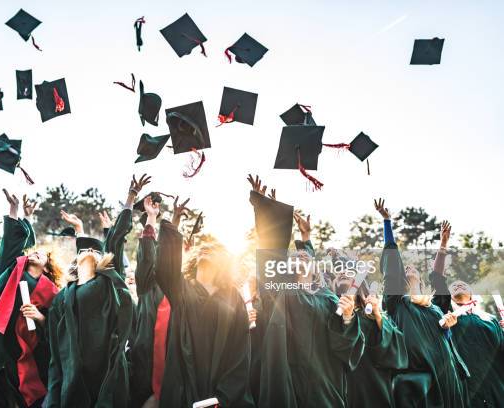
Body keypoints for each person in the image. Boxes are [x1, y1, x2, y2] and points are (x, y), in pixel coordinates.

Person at [248, 175, 365, 408]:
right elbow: (271, 253)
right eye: (295, 255)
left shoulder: (329, 298)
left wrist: (350, 317)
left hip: (323, 383)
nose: (300, 254)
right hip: (286, 379)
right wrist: (266, 210)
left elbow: (347, 346)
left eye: (305, 254)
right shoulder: (281, 291)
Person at [46, 174, 148, 407]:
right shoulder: (62, 298)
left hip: (108, 375)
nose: (88, 252)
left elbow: (116, 240)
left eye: (93, 251)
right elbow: (55, 352)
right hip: (75, 377)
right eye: (83, 251)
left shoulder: (108, 282)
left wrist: (130, 199)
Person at [155, 194, 255, 407]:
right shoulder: (181, 287)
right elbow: (165, 266)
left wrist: (224, 396)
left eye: (213, 249)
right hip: (184, 385)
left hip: (220, 390)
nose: (206, 249)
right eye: (203, 248)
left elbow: (240, 350)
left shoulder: (232, 297)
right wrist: (174, 221)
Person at [375, 198, 469, 407]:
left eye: (412, 267)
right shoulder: (396, 303)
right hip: (417, 383)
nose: (408, 268)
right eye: (404, 268)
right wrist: (387, 222)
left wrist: (443, 244)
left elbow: (438, 277)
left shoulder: (435, 307)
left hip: (446, 376)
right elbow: (391, 266)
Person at [0, 190, 62, 408]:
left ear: (48, 266)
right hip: (2, 341)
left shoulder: (53, 292)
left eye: (42, 254)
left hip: (32, 352)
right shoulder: (15, 271)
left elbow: (60, 327)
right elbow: (11, 244)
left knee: (27, 396)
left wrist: (39, 317)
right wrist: (14, 210)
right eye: (34, 252)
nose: (35, 253)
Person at [430, 220, 504, 407]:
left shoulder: (490, 319)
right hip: (464, 392)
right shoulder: (445, 313)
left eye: (464, 283)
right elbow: (438, 279)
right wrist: (443, 245)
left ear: (472, 294)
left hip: (496, 390)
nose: (458, 284)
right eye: (454, 285)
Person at [129, 193, 188, 408]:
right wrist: (151, 218)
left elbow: (168, 254)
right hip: (145, 373)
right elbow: (147, 257)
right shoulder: (146, 288)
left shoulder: (180, 291)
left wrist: (176, 221)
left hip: (174, 375)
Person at [331, 259, 408, 408]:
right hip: (346, 384)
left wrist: (378, 315)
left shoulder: (372, 314)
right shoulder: (332, 315)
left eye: (349, 273)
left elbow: (396, 348)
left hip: (375, 383)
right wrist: (347, 318)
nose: (342, 273)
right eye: (339, 273)